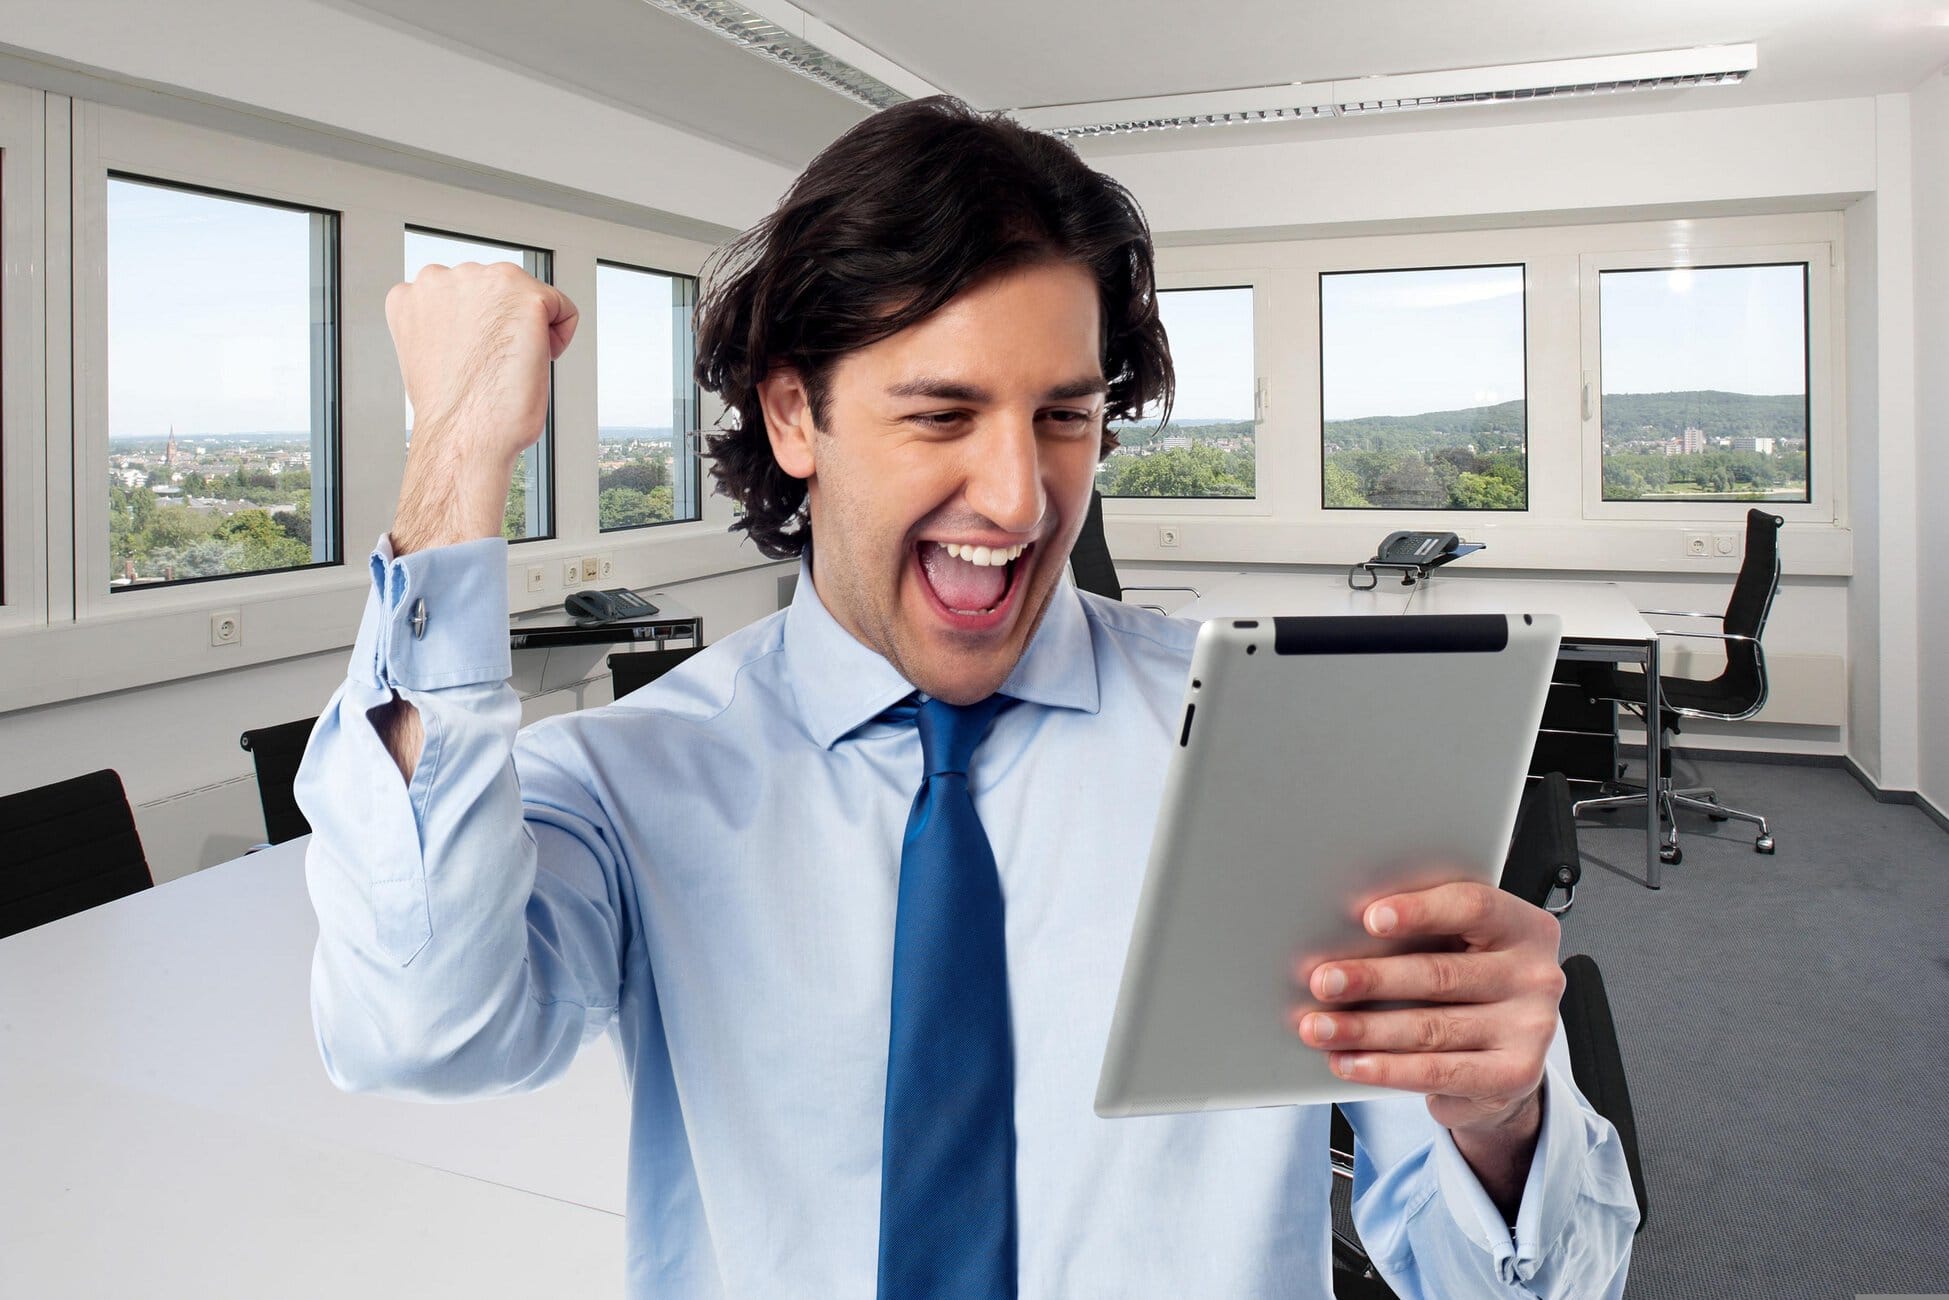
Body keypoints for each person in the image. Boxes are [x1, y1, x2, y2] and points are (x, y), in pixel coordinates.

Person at [297, 95, 1638, 1298]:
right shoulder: (633, 777)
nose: (1018, 495)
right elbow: (420, 1028)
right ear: (792, 420)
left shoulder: (1268, 746)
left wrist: (1498, 1115)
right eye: (941, 414)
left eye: (1064, 416)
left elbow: (1533, 1289)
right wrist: (459, 451)